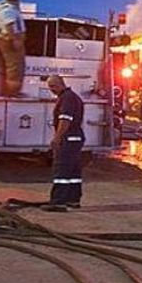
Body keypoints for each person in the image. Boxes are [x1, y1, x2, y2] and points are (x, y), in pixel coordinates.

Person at [41, 75, 85, 212]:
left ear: (61, 84)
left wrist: (57, 138)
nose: (52, 90)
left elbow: (65, 119)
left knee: (62, 170)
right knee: (73, 171)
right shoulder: (72, 97)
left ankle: (58, 202)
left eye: (53, 86)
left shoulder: (67, 98)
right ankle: (73, 200)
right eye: (50, 87)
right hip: (75, 138)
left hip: (68, 138)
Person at [0, 0, 26, 96]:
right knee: (14, 67)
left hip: (8, 38)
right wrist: (15, 39)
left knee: (16, 66)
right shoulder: (8, 10)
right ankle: (12, 92)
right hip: (9, 39)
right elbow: (9, 25)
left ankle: (14, 90)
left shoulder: (7, 8)